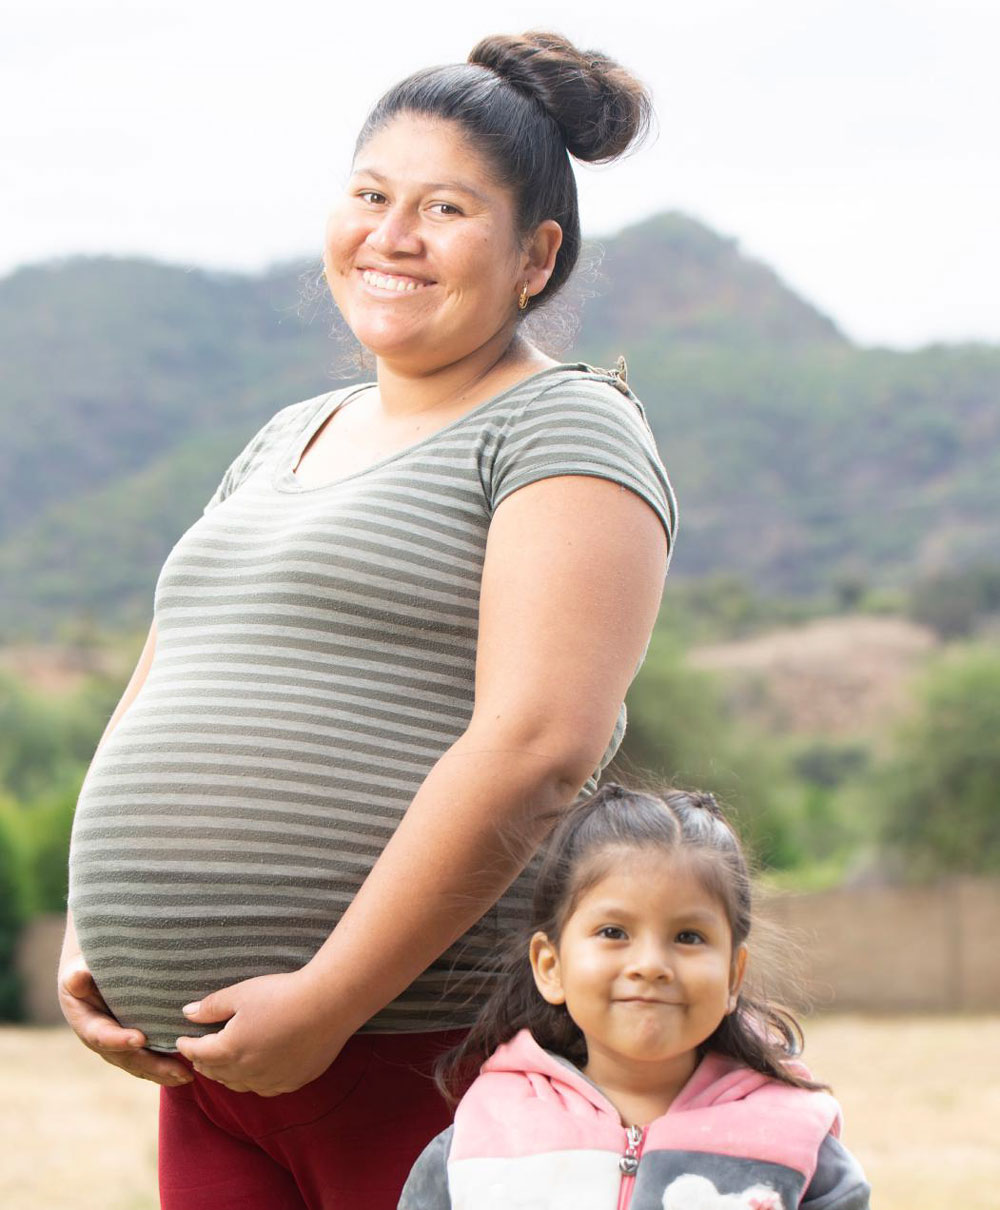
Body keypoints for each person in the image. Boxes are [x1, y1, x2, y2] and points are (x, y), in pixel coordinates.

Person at [56, 30, 678, 1210]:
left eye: (445, 208)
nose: (392, 235)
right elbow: (162, 679)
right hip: (212, 1071)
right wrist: (94, 929)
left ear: (533, 256)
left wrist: (331, 995)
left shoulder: (562, 429)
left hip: (410, 1054)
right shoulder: (282, 436)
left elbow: (542, 743)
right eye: (370, 195)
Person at [400, 784, 872, 1210]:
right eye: (613, 932)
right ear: (550, 966)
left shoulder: (792, 1139)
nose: (650, 964)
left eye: (688, 937)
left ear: (733, 977)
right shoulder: (486, 1133)